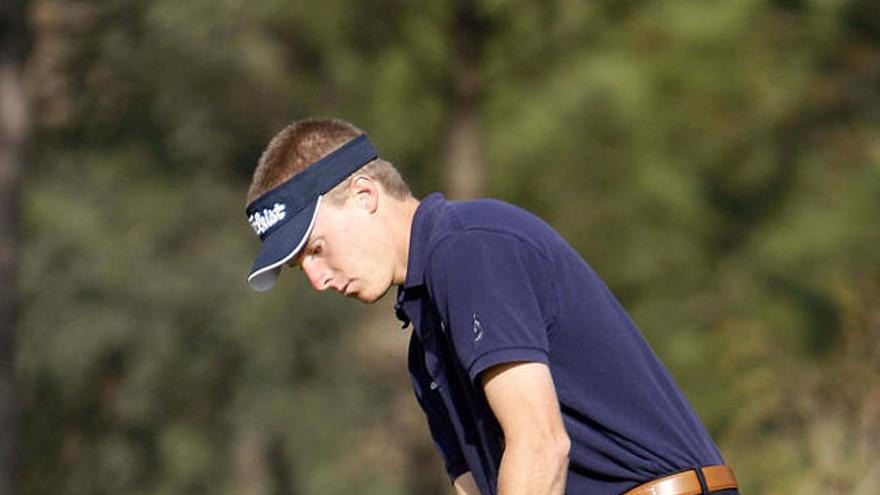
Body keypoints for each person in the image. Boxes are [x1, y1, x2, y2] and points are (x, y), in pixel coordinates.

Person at [243, 118, 739, 495]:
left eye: (314, 248)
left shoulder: (468, 250)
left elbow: (541, 444)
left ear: (366, 195)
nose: (315, 278)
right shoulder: (424, 350)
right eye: (298, 267)